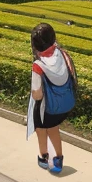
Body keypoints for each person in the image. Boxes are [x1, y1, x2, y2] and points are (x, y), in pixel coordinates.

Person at [26, 22, 77, 174]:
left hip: (48, 108)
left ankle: (43, 157)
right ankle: (58, 159)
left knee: (41, 129)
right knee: (54, 130)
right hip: (65, 105)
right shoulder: (63, 53)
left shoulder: (38, 65)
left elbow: (37, 94)